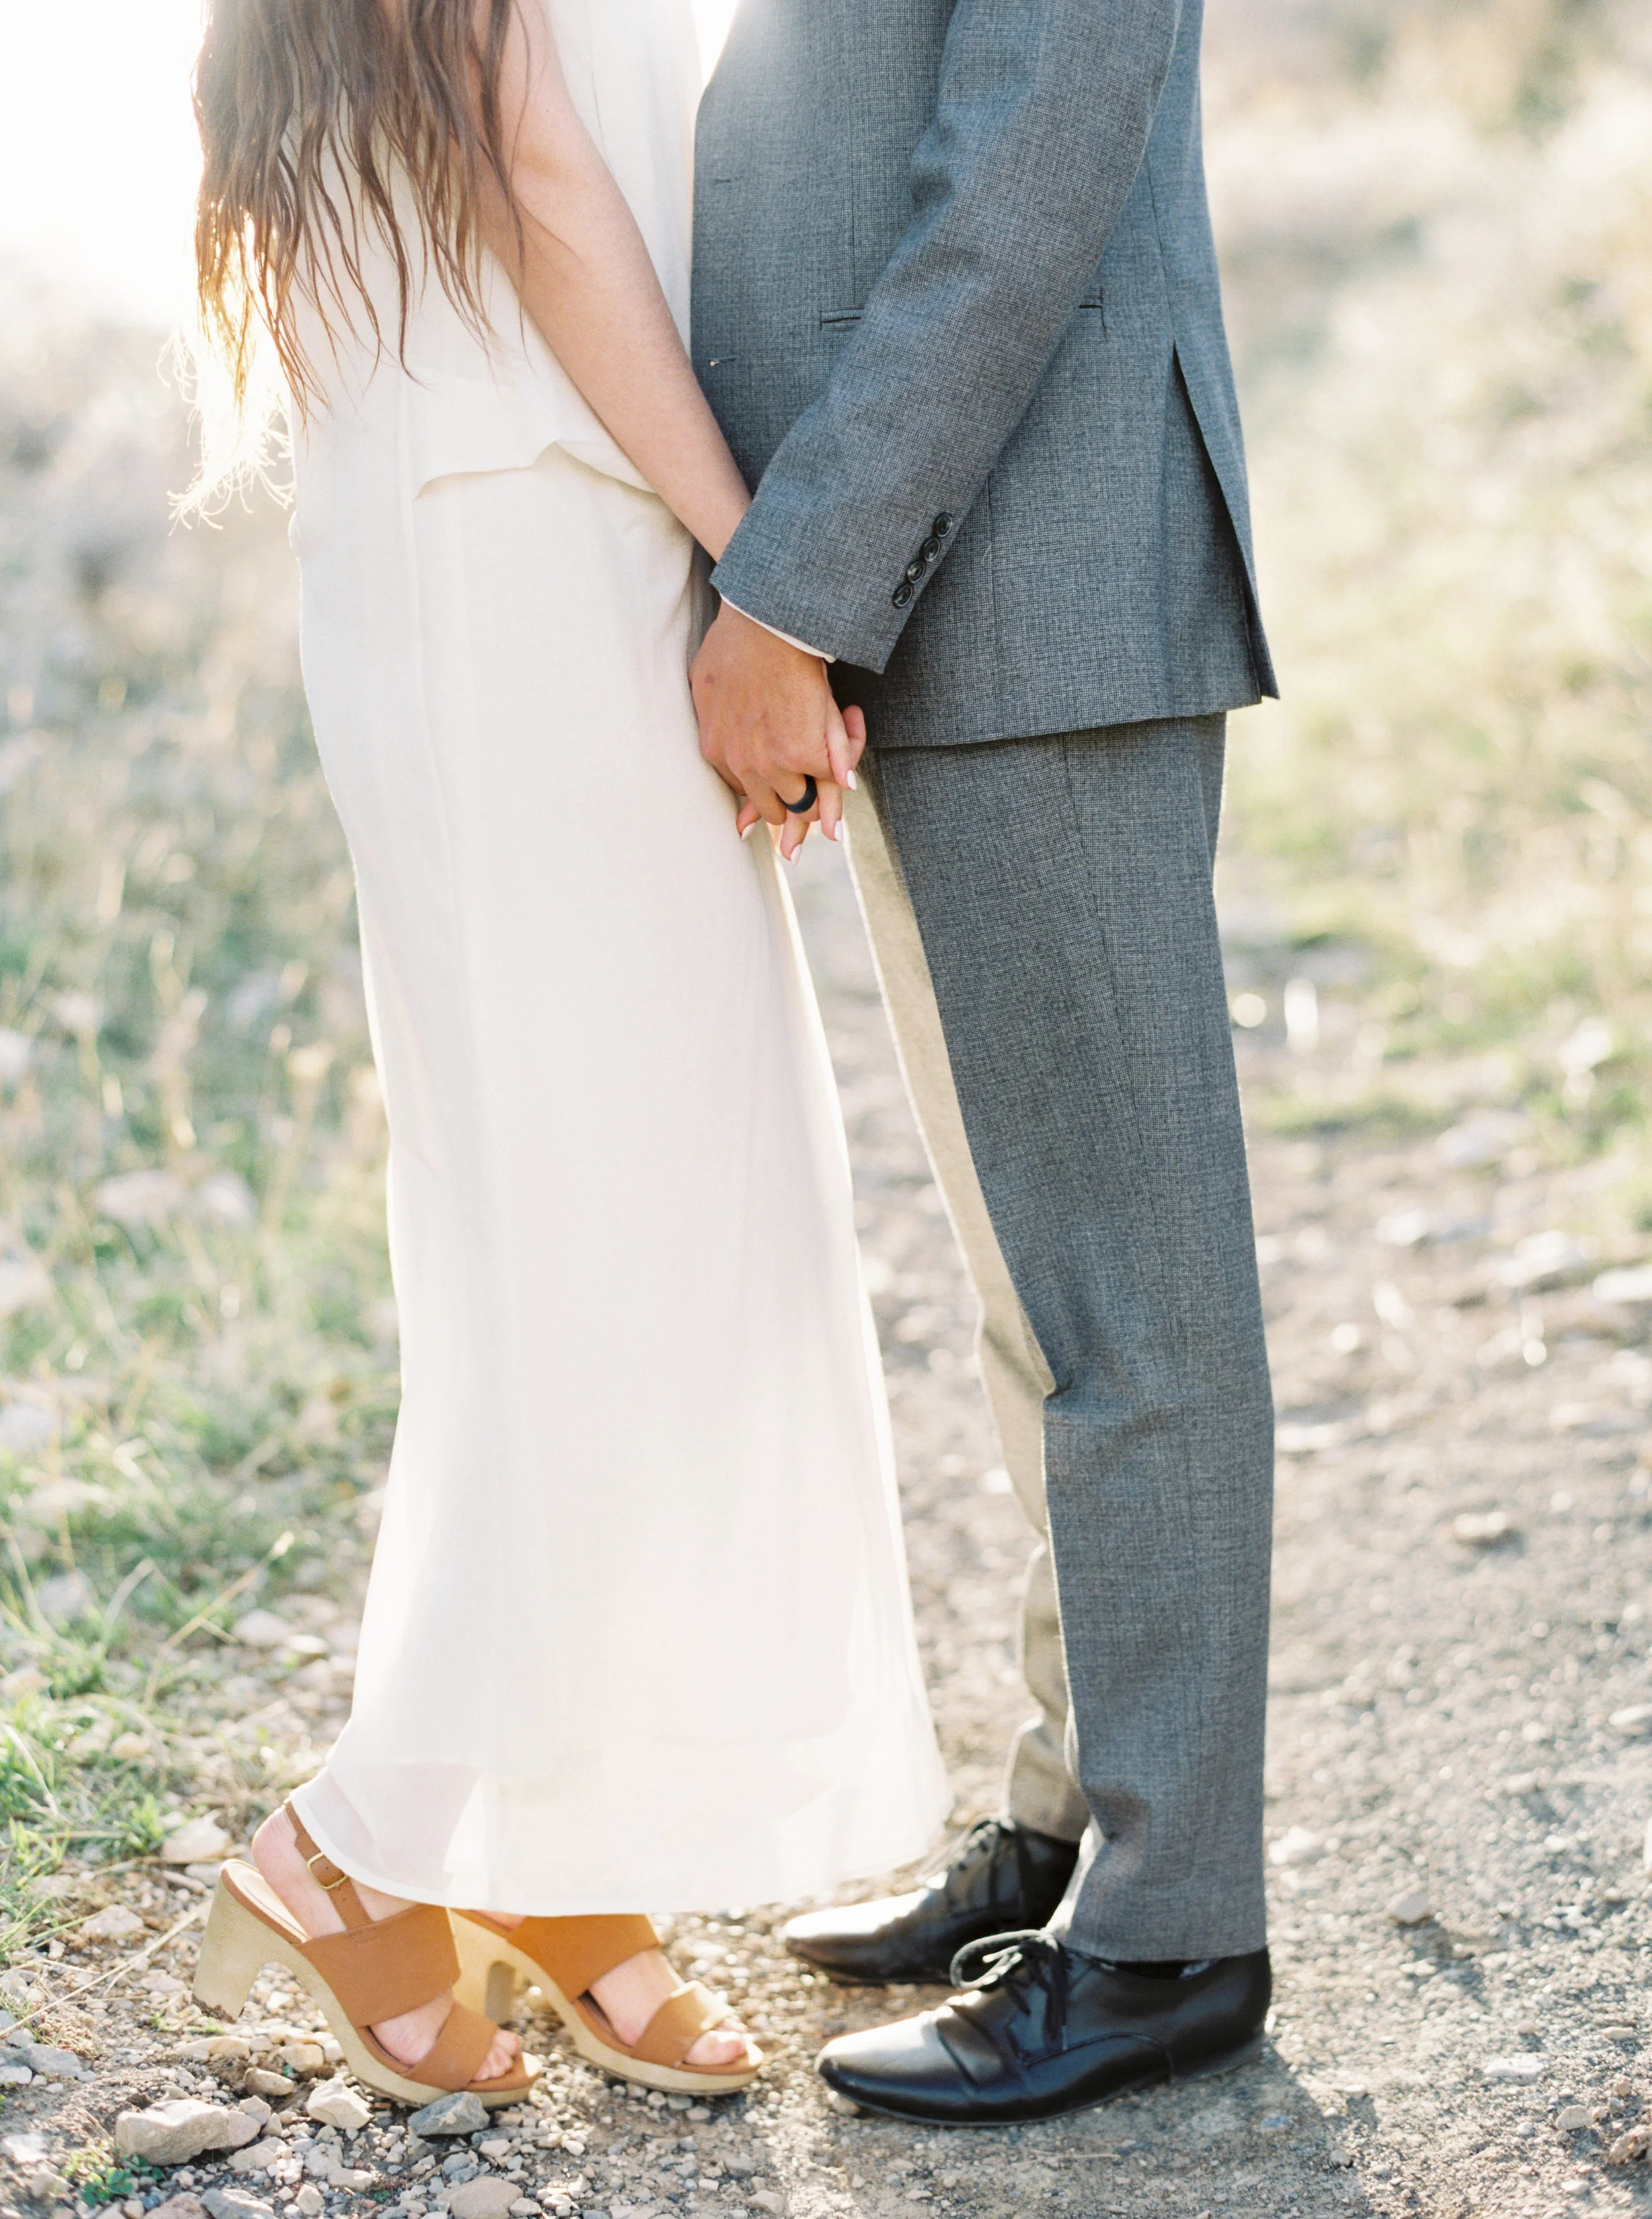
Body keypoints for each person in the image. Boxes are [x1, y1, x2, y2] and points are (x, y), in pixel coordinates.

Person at [184, 0, 947, 2109]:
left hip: (542, 527)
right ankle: (363, 1837)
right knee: (593, 1235)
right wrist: (764, 559)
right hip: (509, 544)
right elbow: (533, 170)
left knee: (615, 1240)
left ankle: (560, 1857)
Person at [689, 0, 1280, 2125]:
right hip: (943, 604)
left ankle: (1170, 1929)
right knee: (1042, 1287)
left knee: (1130, 1296)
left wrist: (789, 587)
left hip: (1030, 583)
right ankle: (1070, 1815)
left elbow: (1017, 184)